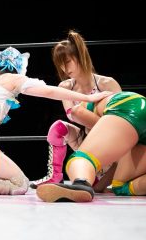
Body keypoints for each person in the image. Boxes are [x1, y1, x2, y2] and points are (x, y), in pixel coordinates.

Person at [0, 47, 112, 195]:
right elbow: (49, 91)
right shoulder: (13, 78)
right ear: (19, 67)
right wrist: (88, 98)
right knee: (20, 184)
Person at [36, 91, 146, 202]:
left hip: (131, 109)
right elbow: (116, 162)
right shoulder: (109, 100)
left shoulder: (85, 103)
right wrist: (97, 187)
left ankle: (81, 183)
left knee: (82, 157)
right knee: (121, 186)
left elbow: (76, 112)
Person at [31, 30, 121, 189]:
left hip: (110, 144)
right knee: (58, 127)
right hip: (86, 141)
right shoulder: (65, 86)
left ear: (80, 56)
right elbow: (72, 114)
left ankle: (100, 175)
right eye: (60, 64)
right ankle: (55, 176)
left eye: (67, 62)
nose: (64, 68)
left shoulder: (107, 83)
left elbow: (121, 123)